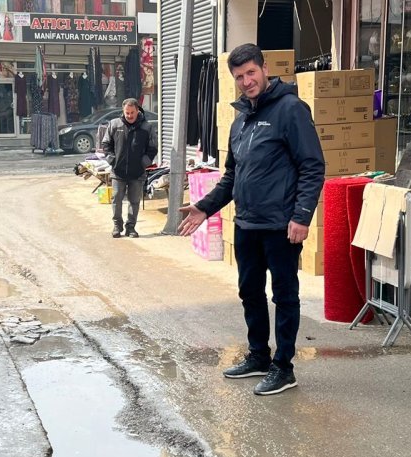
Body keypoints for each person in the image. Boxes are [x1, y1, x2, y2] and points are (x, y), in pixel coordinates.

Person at [178, 43, 325, 396]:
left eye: (251, 73)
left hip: (281, 226)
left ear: (264, 69)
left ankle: (284, 367)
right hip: (247, 224)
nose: (246, 81)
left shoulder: (291, 109)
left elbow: (312, 166)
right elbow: (232, 176)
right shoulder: (241, 119)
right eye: (239, 77)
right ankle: (259, 355)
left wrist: (302, 216)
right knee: (249, 292)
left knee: (284, 295)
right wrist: (204, 207)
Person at [101, 98, 157, 238]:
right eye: (127, 113)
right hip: (118, 172)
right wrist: (113, 161)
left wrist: (143, 163)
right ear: (123, 111)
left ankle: (131, 227)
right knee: (116, 199)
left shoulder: (147, 127)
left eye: (132, 112)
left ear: (138, 110)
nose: (130, 116)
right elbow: (106, 145)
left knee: (134, 201)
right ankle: (117, 226)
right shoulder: (114, 125)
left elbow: (152, 148)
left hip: (137, 173)